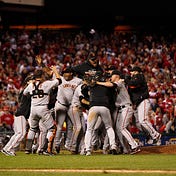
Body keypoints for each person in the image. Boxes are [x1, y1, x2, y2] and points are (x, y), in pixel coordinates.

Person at [97, 70, 141, 154]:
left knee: (122, 128)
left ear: (116, 76)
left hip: (126, 107)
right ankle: (127, 149)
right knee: (118, 129)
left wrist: (97, 83)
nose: (110, 77)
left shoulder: (120, 82)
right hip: (121, 109)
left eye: (112, 76)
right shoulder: (116, 84)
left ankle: (135, 145)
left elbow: (111, 85)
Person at [24, 66, 61, 155]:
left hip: (33, 109)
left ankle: (28, 149)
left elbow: (25, 93)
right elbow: (59, 81)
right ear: (42, 75)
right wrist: (55, 71)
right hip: (43, 108)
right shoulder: (47, 83)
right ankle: (46, 150)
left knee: (32, 129)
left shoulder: (31, 85)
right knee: (51, 128)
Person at [84, 72, 118, 156]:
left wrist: (92, 83)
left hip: (93, 107)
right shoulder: (106, 85)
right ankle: (113, 146)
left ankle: (88, 149)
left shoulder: (91, 85)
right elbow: (114, 86)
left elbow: (83, 89)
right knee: (109, 127)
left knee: (89, 129)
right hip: (104, 107)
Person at [126, 66, 161, 145]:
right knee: (137, 123)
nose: (131, 73)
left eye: (132, 71)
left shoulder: (139, 77)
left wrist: (126, 79)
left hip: (143, 101)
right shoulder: (132, 80)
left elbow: (133, 83)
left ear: (136, 72)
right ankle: (149, 135)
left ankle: (155, 135)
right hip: (137, 103)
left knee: (143, 120)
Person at [1, 74, 33, 156]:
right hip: (21, 113)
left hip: (20, 113)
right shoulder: (27, 89)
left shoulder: (25, 89)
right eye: (32, 80)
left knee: (18, 133)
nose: (34, 81)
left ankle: (6, 148)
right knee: (21, 133)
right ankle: (9, 149)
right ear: (28, 81)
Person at [54, 67, 82, 153]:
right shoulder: (60, 78)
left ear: (71, 73)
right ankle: (56, 144)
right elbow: (50, 73)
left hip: (71, 106)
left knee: (70, 127)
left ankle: (69, 145)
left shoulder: (78, 81)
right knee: (59, 126)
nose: (65, 74)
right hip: (60, 105)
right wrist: (42, 64)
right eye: (64, 73)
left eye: (67, 72)